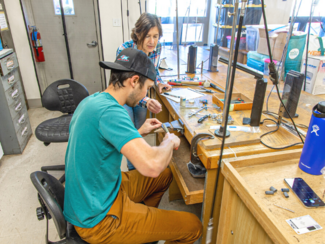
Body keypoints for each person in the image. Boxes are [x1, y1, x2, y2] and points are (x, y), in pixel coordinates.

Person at [63, 48, 202, 244]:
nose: (146, 94)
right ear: (134, 81)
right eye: (147, 88)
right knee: (193, 226)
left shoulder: (93, 101)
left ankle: (143, 229)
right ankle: (135, 227)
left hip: (98, 192)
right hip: (98, 219)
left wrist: (138, 132)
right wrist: (169, 142)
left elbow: (101, 144)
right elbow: (152, 165)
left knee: (166, 174)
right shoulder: (112, 112)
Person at [117, 13, 172, 171]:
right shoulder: (124, 50)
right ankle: (133, 172)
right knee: (129, 134)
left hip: (142, 96)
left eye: (156, 36)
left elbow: (152, 70)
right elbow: (125, 86)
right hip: (126, 97)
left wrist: (159, 82)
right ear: (138, 33)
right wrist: (146, 101)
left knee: (139, 132)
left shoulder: (157, 47)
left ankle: (137, 166)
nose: (152, 41)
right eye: (148, 36)